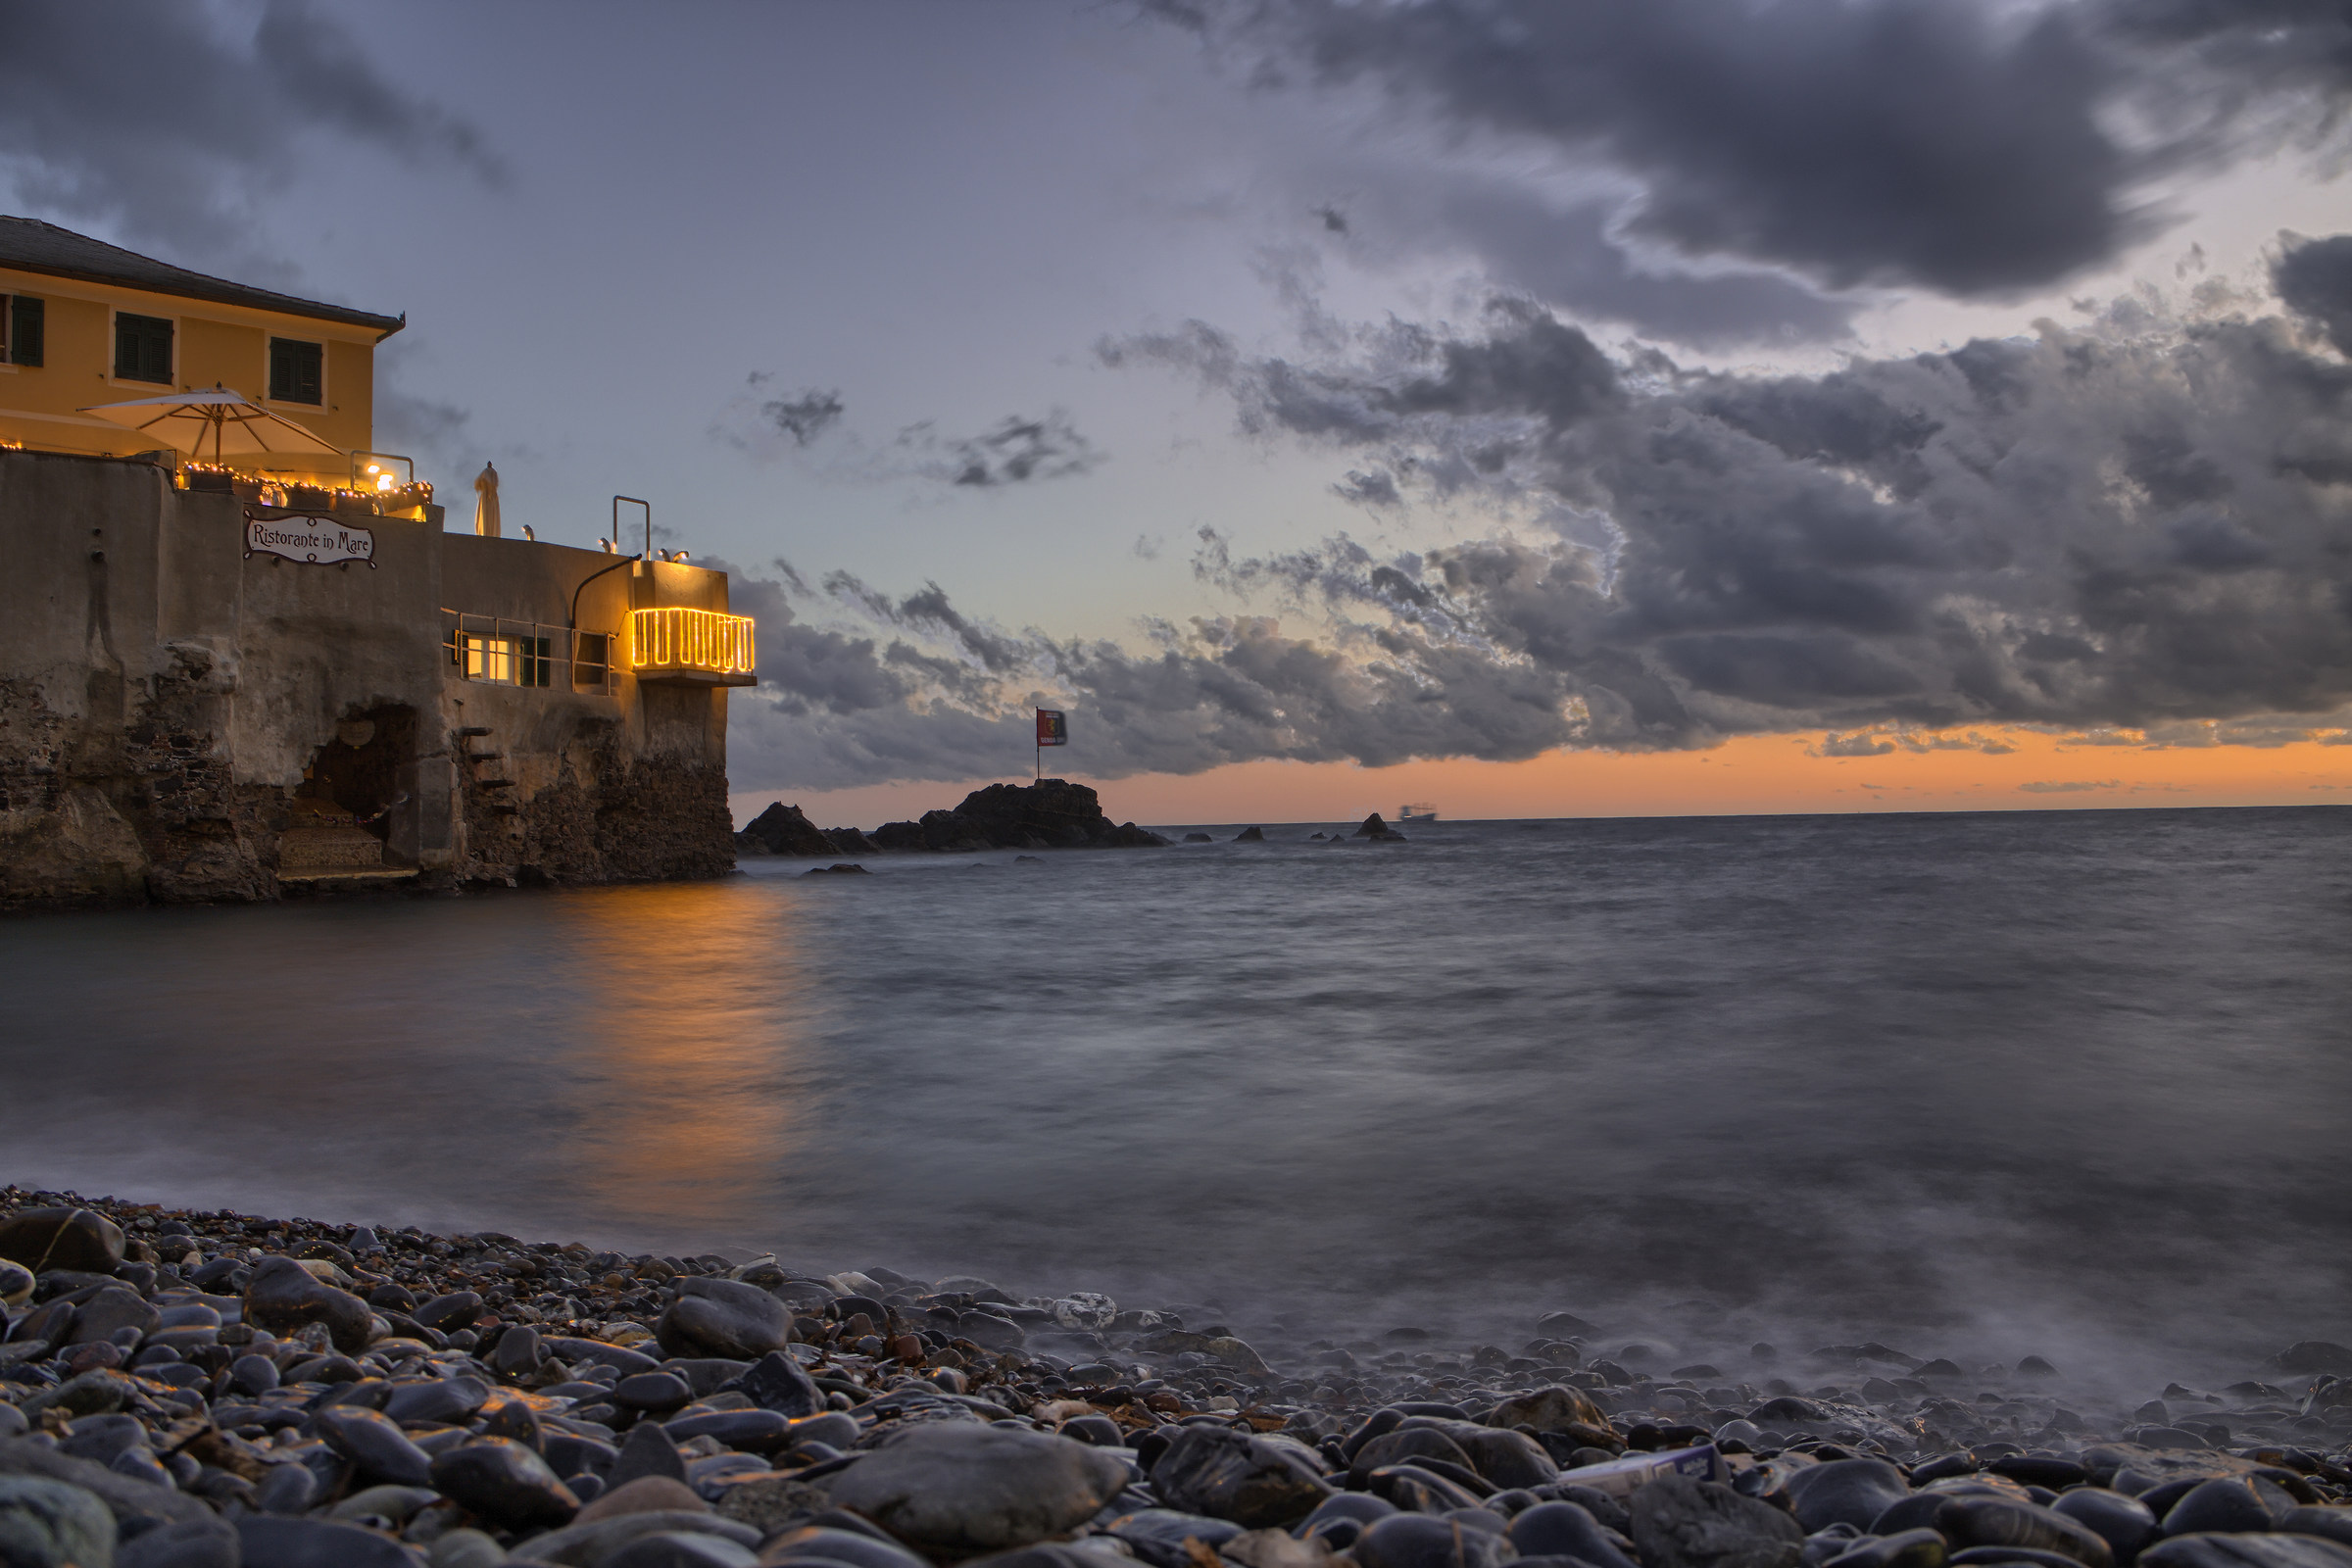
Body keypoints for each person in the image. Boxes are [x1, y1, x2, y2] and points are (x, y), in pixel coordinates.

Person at [472, 461, 501, 538]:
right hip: (486, 497)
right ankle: (485, 532)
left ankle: (489, 533)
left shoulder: (493, 497)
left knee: (491, 518)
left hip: (490, 498)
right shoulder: (484, 497)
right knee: (484, 516)